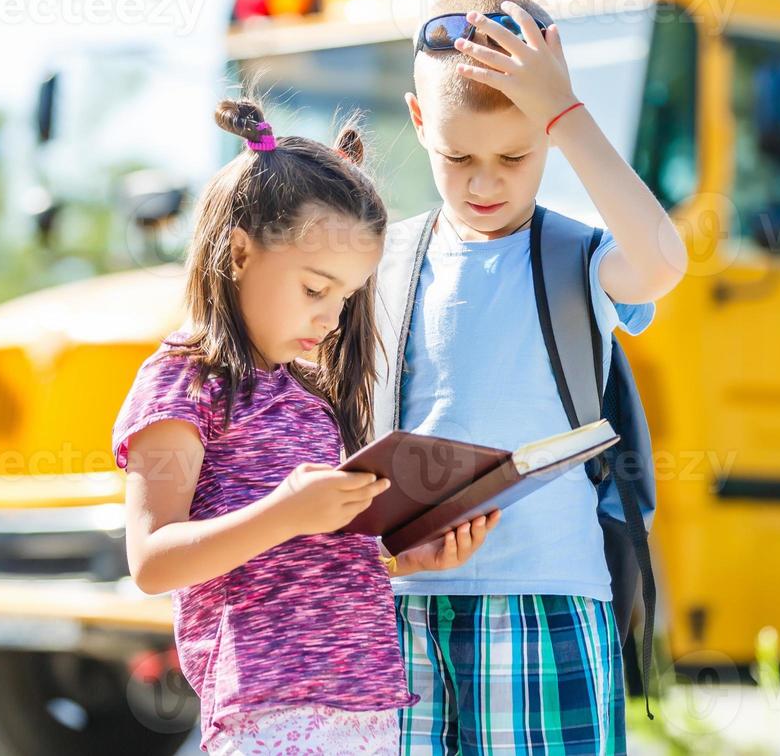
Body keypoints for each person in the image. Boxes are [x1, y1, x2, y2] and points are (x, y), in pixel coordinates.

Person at [112, 97, 499, 755]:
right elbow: (152, 562)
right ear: (238, 253)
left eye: (345, 298)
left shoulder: (308, 394)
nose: (332, 318)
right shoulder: (184, 377)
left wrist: (406, 556)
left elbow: (306, 556)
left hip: (366, 709)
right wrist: (287, 512)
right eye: (316, 289)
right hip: (269, 716)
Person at [387, 0, 687, 754]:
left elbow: (661, 259)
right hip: (397, 608)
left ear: (549, 139)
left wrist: (565, 113)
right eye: (459, 159)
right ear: (420, 123)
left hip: (551, 600)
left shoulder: (579, 258)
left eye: (514, 156)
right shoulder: (380, 262)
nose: (485, 184)